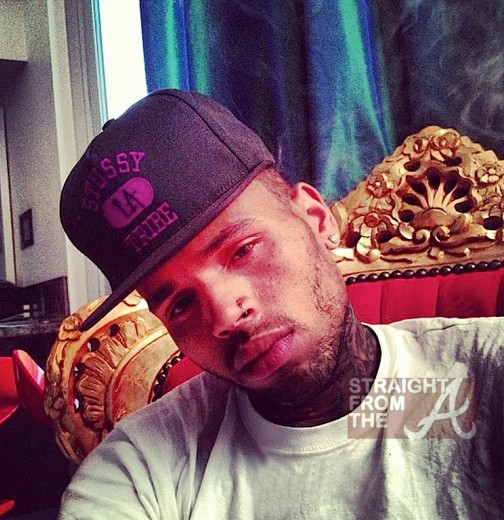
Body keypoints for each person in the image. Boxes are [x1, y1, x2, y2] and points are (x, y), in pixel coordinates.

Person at [58, 90, 503, 519]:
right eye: (180, 304)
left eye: (243, 249)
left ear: (315, 218)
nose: (226, 316)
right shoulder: (142, 466)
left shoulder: (476, 379)